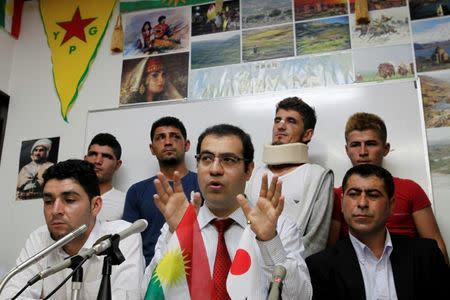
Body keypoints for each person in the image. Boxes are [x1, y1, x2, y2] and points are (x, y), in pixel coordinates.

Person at [145, 124, 312, 299]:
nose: (215, 169)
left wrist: (269, 240)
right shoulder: (178, 228)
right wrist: (178, 236)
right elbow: (149, 293)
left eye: (228, 160)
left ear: (248, 170)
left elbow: (301, 296)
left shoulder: (281, 227)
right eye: (207, 158)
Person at [2, 160, 145, 299]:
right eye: (48, 202)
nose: (55, 210)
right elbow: (10, 295)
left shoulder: (121, 236)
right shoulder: (39, 238)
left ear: (95, 206)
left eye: (69, 200)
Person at [306, 164, 450, 300]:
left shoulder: (425, 254)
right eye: (354, 194)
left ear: (391, 205)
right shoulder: (320, 266)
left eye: (373, 195)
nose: (362, 203)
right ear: (342, 203)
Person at [328, 112, 449, 263]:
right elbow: (330, 254)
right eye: (355, 145)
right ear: (347, 150)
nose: (363, 152)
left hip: (409, 274)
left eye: (371, 144)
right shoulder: (338, 196)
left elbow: (436, 246)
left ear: (385, 148)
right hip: (356, 277)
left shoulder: (411, 189)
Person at [246, 97, 333, 257]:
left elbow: (316, 241)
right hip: (250, 263)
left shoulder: (317, 176)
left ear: (307, 134)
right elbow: (244, 224)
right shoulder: (253, 174)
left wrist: (284, 267)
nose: (281, 125)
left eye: (291, 121)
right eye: (277, 120)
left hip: (292, 271)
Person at [123, 116, 199, 265]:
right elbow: (128, 244)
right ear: (152, 149)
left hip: (195, 270)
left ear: (187, 145)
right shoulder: (136, 191)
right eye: (160, 138)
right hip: (150, 276)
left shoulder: (204, 184)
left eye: (175, 136)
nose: (168, 142)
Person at [84, 133, 125, 221]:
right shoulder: (66, 195)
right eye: (93, 154)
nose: (98, 161)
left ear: (117, 165)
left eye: (106, 156)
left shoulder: (125, 202)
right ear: (85, 159)